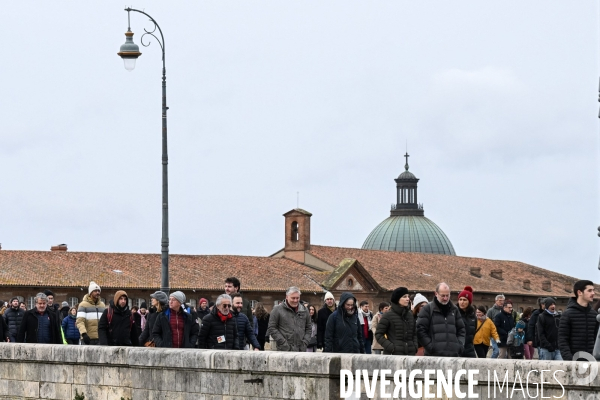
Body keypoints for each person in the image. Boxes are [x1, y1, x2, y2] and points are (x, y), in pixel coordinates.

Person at [416, 283, 465, 357]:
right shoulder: (427, 309)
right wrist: (430, 347)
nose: (445, 298)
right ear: (436, 294)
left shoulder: (454, 310)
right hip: (433, 356)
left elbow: (461, 329)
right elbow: (420, 330)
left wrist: (459, 346)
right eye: (443, 296)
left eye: (447, 295)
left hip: (453, 355)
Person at [558, 280, 599, 361]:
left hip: (592, 361)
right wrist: (570, 360)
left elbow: (596, 338)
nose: (593, 293)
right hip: (574, 361)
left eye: (593, 290)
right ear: (579, 292)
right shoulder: (567, 314)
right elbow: (562, 339)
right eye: (589, 290)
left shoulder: (594, 315)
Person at [266, 286, 312, 352]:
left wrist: (305, 342)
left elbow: (308, 328)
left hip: (301, 350)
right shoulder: (277, 310)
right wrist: (283, 343)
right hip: (283, 350)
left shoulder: (304, 310)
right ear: (287, 297)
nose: (295, 300)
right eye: (293, 298)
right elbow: (272, 328)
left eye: (297, 298)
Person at [376, 287, 417, 355]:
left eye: (408, 296)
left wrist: (414, 346)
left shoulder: (410, 315)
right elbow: (378, 334)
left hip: (410, 354)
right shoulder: (387, 316)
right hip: (393, 355)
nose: (408, 299)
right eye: (404, 297)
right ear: (397, 299)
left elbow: (414, 333)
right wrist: (391, 348)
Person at [76, 281, 106, 345]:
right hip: (88, 338)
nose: (97, 292)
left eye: (98, 291)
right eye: (95, 291)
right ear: (90, 292)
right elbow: (80, 321)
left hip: (100, 337)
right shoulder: (83, 305)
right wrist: (84, 334)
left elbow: (105, 321)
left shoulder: (102, 305)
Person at [457, 286, 476, 358]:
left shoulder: (473, 316)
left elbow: (474, 330)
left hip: (469, 348)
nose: (462, 302)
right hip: (457, 348)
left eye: (465, 300)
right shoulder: (454, 314)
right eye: (460, 299)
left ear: (469, 302)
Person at [487, 294, 505, 358]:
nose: (501, 302)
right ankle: (491, 364)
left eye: (502, 300)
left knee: (503, 353)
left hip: (503, 334)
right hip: (494, 334)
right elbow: (487, 321)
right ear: (496, 301)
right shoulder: (491, 310)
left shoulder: (504, 310)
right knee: (496, 351)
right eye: (500, 300)